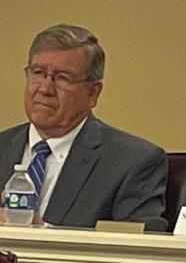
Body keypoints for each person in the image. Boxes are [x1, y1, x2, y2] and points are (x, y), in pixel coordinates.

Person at [0, 24, 168, 230]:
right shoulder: (3, 146)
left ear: (93, 93)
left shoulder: (133, 162)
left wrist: (44, 231)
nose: (45, 89)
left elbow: (139, 249)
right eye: (38, 73)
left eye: (62, 77)